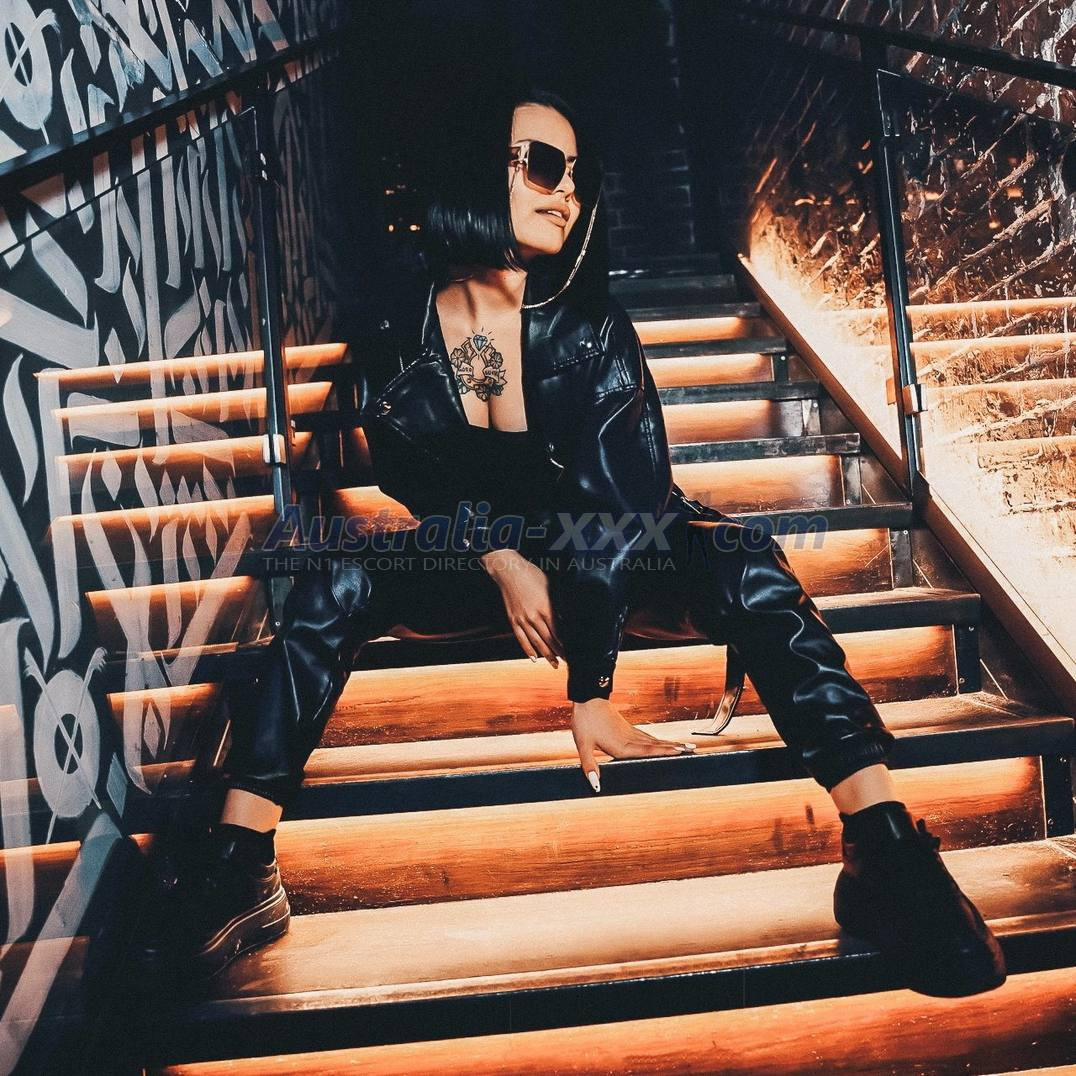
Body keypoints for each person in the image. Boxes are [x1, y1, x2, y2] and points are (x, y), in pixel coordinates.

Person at [135, 86, 1006, 999]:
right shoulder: (399, 330)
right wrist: (499, 554)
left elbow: (617, 514)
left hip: (621, 547)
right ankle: (241, 863)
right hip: (488, 553)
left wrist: (590, 687)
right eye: (547, 167)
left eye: (576, 177)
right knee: (337, 577)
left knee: (746, 560)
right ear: (482, 170)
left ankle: (882, 848)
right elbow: (411, 475)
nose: (568, 194)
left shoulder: (590, 330)